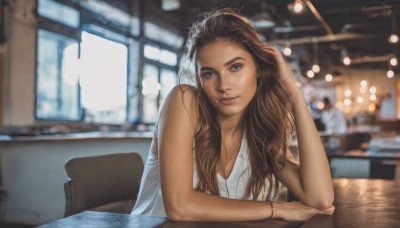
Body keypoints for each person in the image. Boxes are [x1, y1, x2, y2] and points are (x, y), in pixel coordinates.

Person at [132, 9, 334, 221]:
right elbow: (179, 206)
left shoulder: (260, 134)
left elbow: (320, 198)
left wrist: (292, 91)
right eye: (209, 73)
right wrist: (277, 208)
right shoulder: (184, 100)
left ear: (258, 67)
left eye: (235, 67)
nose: (224, 85)